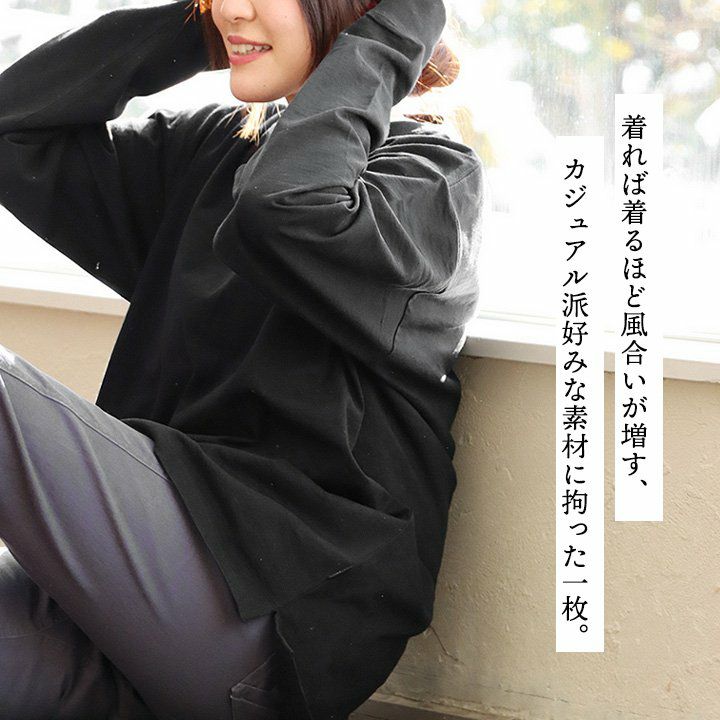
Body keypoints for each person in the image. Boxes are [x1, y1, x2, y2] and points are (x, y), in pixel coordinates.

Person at [0, 0, 486, 717]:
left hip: (268, 627)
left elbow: (285, 210)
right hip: (120, 625)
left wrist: (397, 29)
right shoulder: (216, 150)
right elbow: (14, 127)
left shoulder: (429, 181)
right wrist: (200, 30)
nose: (232, 4)